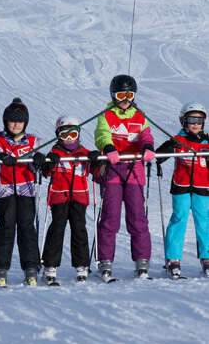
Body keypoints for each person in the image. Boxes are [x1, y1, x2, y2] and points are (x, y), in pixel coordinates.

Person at [94, 74, 156, 281]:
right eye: (121, 94)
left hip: (134, 170)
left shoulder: (139, 115)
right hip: (113, 169)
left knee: (138, 218)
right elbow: (102, 133)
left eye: (130, 95)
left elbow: (145, 134)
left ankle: (142, 261)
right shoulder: (106, 115)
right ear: (113, 95)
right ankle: (105, 261)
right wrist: (108, 146)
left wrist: (147, 146)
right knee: (110, 218)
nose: (126, 99)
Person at [0, 98, 44, 287]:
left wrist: (41, 159)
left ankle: (31, 267)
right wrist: (1, 157)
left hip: (26, 189)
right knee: (7, 226)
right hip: (6, 189)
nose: (16, 124)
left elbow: (40, 158)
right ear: (5, 122)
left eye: (20, 120)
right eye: (12, 120)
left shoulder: (33, 141)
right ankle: (0, 269)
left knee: (27, 227)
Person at [40, 116, 101, 284]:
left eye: (73, 134)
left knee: (79, 229)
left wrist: (96, 160)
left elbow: (96, 171)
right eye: (64, 134)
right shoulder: (55, 153)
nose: (69, 139)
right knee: (57, 228)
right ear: (58, 135)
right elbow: (45, 172)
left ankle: (82, 265)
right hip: (59, 196)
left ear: (78, 134)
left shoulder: (83, 152)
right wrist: (48, 163)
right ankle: (50, 266)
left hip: (79, 196)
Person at [156, 102, 209, 278]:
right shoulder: (179, 141)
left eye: (199, 120)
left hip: (203, 187)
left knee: (204, 221)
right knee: (179, 218)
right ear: (183, 121)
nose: (195, 124)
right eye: (192, 120)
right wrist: (168, 147)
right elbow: (159, 156)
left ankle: (206, 257)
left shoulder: (207, 142)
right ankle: (173, 258)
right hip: (182, 186)